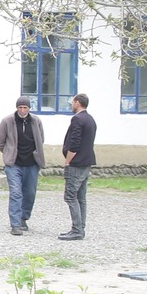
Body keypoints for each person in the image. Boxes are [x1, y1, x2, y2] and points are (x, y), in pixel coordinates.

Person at [0, 96, 46, 236]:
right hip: (14, 164)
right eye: (20, 107)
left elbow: (41, 139)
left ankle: (23, 218)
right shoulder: (7, 121)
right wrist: (9, 153)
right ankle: (15, 224)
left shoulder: (36, 121)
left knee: (30, 193)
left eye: (25, 108)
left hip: (32, 164)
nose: (22, 110)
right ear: (16, 108)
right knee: (16, 193)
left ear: (29, 108)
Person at [59, 92, 97, 240]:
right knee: (81, 197)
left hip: (76, 163)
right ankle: (80, 228)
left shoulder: (77, 119)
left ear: (77, 103)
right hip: (86, 162)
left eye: (73, 102)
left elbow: (74, 142)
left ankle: (77, 229)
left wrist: (68, 160)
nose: (72, 105)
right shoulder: (90, 119)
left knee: (70, 196)